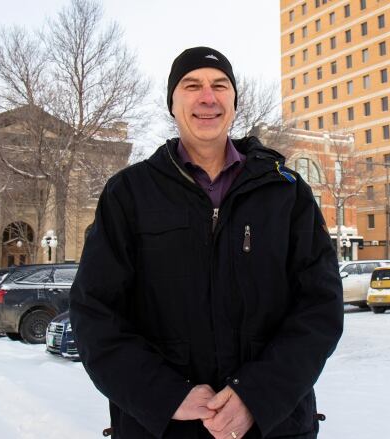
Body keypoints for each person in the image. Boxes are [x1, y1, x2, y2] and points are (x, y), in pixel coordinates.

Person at [70, 46, 343, 439]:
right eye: (192, 85)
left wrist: (257, 395)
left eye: (220, 85)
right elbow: (94, 312)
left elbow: (320, 306)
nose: (207, 97)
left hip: (272, 426)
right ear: (172, 101)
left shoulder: (286, 192)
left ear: (233, 101)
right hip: (163, 428)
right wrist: (165, 396)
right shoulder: (128, 194)